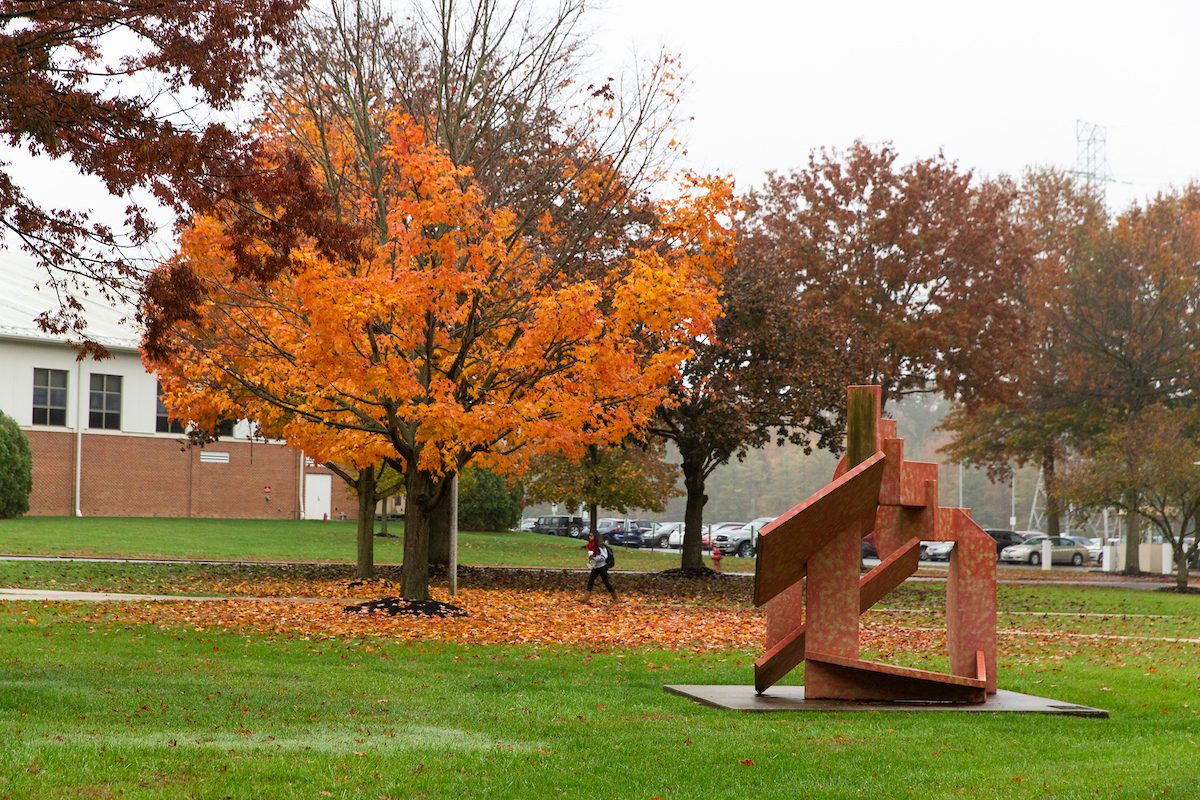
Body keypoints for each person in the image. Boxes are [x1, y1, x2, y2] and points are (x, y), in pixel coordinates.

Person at [583, 530, 619, 604]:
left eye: (591, 536)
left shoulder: (600, 546)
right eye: (589, 536)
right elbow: (594, 556)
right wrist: (591, 560)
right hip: (596, 566)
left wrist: (595, 558)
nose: (589, 537)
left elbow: (604, 556)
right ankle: (585, 598)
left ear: (595, 537)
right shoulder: (592, 546)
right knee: (590, 581)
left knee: (606, 582)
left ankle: (616, 598)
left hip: (602, 567)